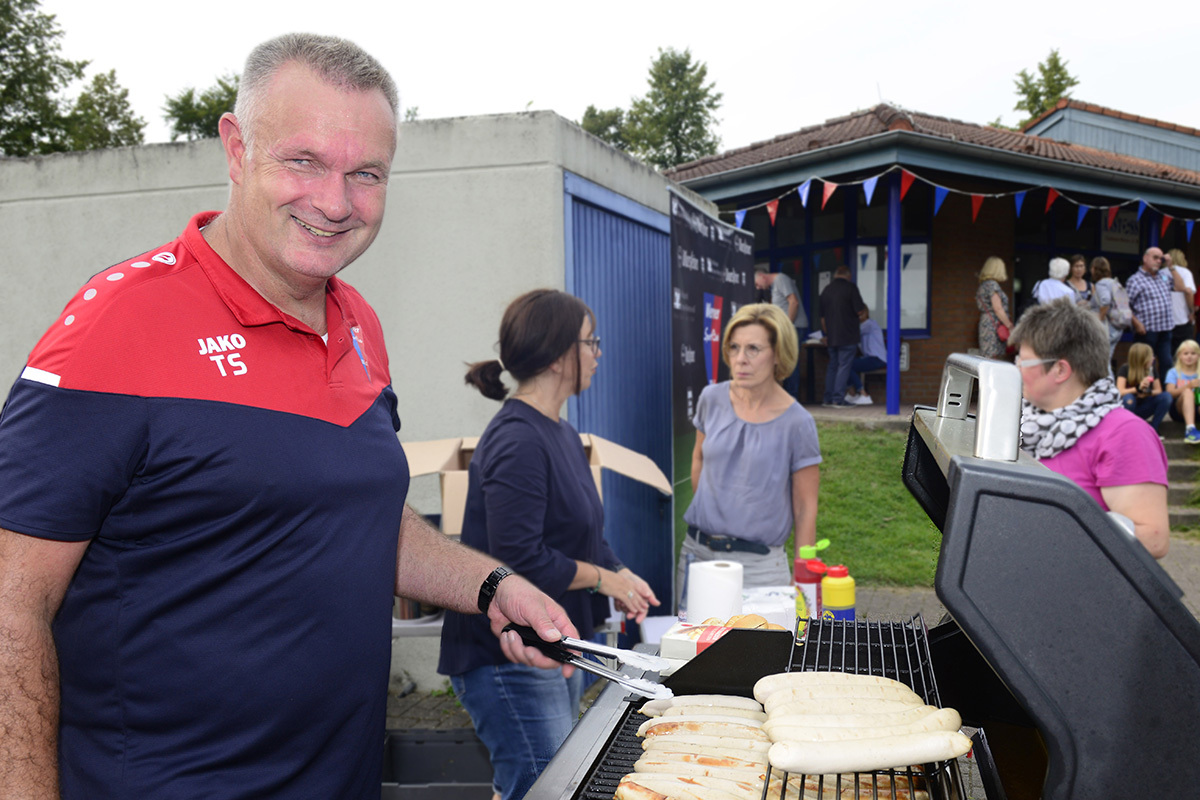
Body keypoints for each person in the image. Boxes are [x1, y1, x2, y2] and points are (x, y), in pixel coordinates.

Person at [0, 34, 576, 800]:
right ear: (236, 148)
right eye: (303, 161)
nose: (336, 203)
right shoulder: (119, 325)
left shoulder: (360, 324)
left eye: (365, 174)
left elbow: (352, 513)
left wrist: (490, 583)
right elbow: (13, 601)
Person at [438, 289, 659, 800]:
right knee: (549, 790)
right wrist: (605, 579)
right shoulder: (517, 440)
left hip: (552, 644)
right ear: (561, 356)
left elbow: (582, 533)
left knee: (529, 785)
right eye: (591, 342)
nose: (598, 353)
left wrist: (621, 574)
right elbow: (521, 560)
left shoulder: (558, 430)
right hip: (506, 659)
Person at [680, 303, 822, 591]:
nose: (740, 359)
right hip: (697, 556)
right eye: (734, 347)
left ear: (778, 355)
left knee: (758, 638)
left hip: (760, 569)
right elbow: (699, 460)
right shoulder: (711, 399)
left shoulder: (798, 423)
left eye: (753, 349)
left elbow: (806, 505)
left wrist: (804, 578)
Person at [1013, 301, 1169, 559]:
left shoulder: (1124, 434)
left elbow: (1153, 538)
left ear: (1060, 369)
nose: (1017, 369)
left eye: (1024, 362)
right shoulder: (1023, 422)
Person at [1127, 246, 1181, 374]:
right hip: (1147, 330)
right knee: (1145, 364)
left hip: (1165, 328)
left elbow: (1180, 287)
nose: (1158, 261)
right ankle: (1145, 391)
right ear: (1145, 258)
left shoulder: (1163, 276)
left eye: (1161, 259)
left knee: (1167, 362)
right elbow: (1124, 306)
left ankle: (1165, 392)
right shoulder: (1135, 280)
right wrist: (1136, 323)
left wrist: (1171, 266)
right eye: (1155, 257)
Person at [819, 265, 867, 407]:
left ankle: (827, 399)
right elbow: (859, 311)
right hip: (848, 335)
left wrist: (827, 334)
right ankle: (838, 399)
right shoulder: (851, 288)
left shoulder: (826, 290)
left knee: (832, 366)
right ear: (848, 275)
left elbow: (822, 318)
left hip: (832, 336)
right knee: (844, 366)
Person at [755, 266, 807, 397]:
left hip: (793, 328)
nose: (758, 288)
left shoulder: (780, 279)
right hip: (788, 328)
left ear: (762, 276)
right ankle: (787, 396)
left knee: (789, 361)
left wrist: (787, 325)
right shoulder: (775, 286)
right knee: (785, 361)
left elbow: (793, 302)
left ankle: (791, 397)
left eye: (757, 284)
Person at [1115, 343, 1172, 432]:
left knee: (1166, 397)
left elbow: (1159, 390)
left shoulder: (1151, 369)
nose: (1153, 358)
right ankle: (1129, 429)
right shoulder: (1125, 368)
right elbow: (1120, 391)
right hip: (1128, 408)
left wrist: (1147, 393)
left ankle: (1153, 429)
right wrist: (1138, 388)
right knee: (1128, 398)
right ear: (1142, 358)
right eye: (1151, 356)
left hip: (1144, 406)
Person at [844, 307, 886, 405]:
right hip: (870, 358)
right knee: (847, 364)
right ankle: (852, 394)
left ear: (866, 313)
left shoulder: (869, 324)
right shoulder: (862, 326)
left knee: (847, 365)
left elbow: (851, 333)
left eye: (861, 314)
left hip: (877, 359)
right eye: (856, 314)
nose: (859, 316)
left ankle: (864, 395)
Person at [976, 256, 1014, 359]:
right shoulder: (993, 285)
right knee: (993, 358)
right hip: (994, 326)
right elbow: (998, 308)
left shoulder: (983, 285)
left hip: (986, 323)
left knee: (987, 356)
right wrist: (1009, 325)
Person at [1090, 257, 1125, 370]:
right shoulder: (1114, 282)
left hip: (1107, 328)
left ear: (1095, 269)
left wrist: (1099, 318)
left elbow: (1105, 301)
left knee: (1102, 362)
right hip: (1117, 327)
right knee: (1106, 360)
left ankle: (1108, 385)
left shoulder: (1101, 284)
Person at [1164, 339, 1200, 444]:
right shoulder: (1173, 372)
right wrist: (1188, 386)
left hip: (1197, 407)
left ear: (1198, 356)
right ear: (1179, 355)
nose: (1189, 356)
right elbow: (1169, 393)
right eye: (1186, 353)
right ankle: (1190, 430)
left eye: (1193, 353)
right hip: (1178, 409)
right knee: (1188, 392)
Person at [1166, 248, 1197, 355]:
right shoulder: (1185, 272)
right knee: (1184, 355)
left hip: (1164, 321)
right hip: (1182, 319)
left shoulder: (1161, 273)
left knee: (1166, 355)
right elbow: (1188, 293)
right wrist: (1191, 312)